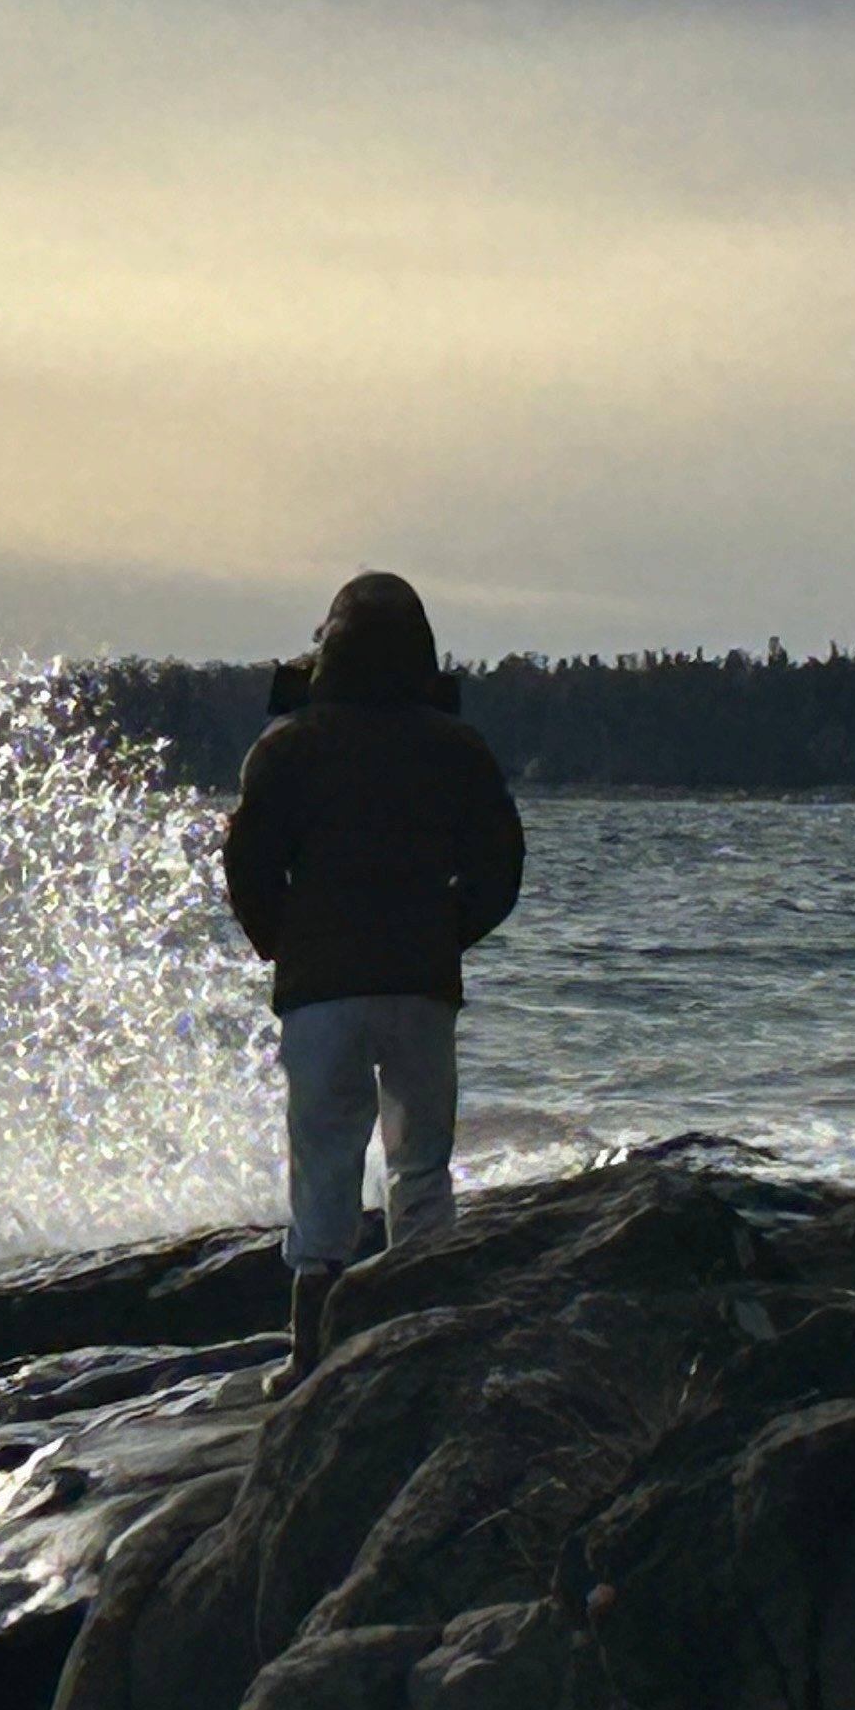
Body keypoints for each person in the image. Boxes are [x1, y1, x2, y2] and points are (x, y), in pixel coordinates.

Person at [223, 570, 525, 1391]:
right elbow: (499, 868)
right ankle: (424, 1336)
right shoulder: (456, 747)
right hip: (421, 984)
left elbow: (248, 864)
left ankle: (309, 1354)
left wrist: (280, 944)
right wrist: (447, 934)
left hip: (321, 988)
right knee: (420, 1162)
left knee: (323, 1157)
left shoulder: (287, 746)